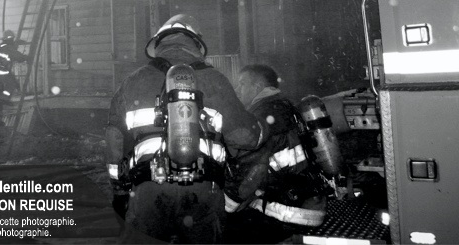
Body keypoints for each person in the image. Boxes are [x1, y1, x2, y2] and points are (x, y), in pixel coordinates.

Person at [105, 14, 266, 244]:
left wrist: (120, 193)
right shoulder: (216, 80)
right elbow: (246, 138)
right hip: (204, 192)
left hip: (148, 191)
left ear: (158, 44)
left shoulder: (132, 82)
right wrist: (264, 126)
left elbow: (114, 142)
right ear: (196, 44)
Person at [224, 64, 328, 244]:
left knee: (225, 229)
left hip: (289, 212)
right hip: (309, 202)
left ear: (257, 86)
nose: (237, 90)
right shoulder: (285, 106)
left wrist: (227, 204)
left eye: (242, 84)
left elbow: (253, 168)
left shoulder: (265, 116)